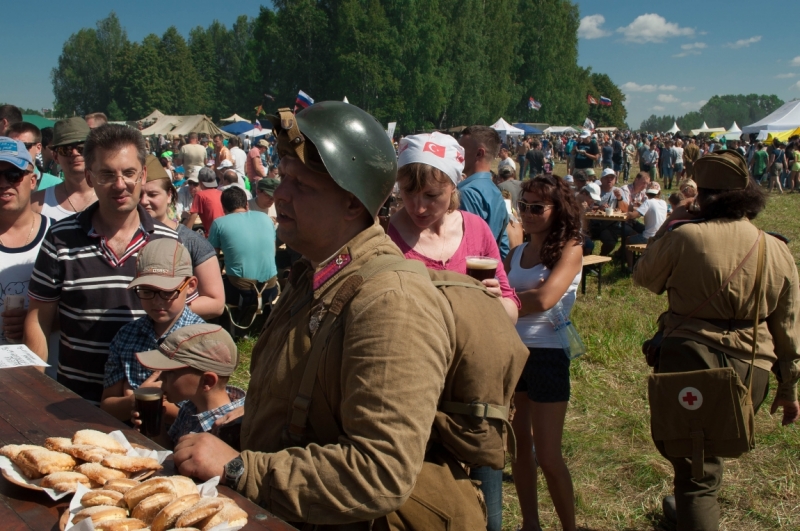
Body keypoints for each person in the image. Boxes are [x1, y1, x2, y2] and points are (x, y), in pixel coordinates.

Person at [170, 101, 481, 529]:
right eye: (284, 178)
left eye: (302, 185)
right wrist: (239, 434)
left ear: (353, 204)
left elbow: (379, 472)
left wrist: (242, 468)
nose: (279, 194)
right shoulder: (316, 273)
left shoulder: (392, 300)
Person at [633, 150, 800, 531]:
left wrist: (671, 223)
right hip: (750, 369)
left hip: (690, 361)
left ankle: (695, 512)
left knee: (696, 474)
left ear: (702, 196)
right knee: (706, 454)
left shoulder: (685, 236)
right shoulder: (777, 248)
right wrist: (789, 389)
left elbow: (644, 276)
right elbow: (788, 328)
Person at [388, 132, 519, 531]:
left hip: (475, 391)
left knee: (489, 510)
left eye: (432, 194)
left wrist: (495, 301)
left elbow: (512, 310)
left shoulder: (476, 230)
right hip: (416, 391)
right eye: (409, 194)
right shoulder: (389, 238)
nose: (419, 206)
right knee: (432, 502)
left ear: (453, 185)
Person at [24, 124, 180, 404]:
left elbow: (182, 323)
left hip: (147, 406)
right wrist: (35, 388)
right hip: (74, 403)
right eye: (107, 174)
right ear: (90, 176)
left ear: (143, 175)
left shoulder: (169, 242)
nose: (120, 184)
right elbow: (38, 318)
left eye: (129, 173)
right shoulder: (60, 238)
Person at [505, 175, 582, 531]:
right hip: (514, 354)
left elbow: (547, 299)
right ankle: (529, 524)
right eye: (524, 206)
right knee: (519, 452)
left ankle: (569, 527)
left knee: (549, 456)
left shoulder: (571, 248)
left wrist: (506, 302)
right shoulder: (517, 252)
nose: (529, 213)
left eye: (538, 207)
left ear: (557, 209)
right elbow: (522, 299)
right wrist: (517, 301)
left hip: (548, 356)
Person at [101, 239, 204, 422]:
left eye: (167, 291)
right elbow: (107, 405)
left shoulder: (203, 340)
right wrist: (133, 401)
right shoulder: (126, 337)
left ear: (190, 285)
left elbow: (207, 416)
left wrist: (150, 401)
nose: (157, 301)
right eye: (147, 291)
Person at [139, 155, 225, 318]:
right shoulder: (123, 238)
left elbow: (216, 303)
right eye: (138, 194)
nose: (144, 201)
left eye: (152, 194)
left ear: (169, 194)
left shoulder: (192, 241)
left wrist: (159, 312)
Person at [135, 323, 245, 449]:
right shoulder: (190, 408)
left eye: (170, 372)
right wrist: (157, 429)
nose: (161, 377)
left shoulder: (233, 428)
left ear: (207, 381)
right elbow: (172, 453)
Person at [0, 138, 52, 366]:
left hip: (43, 382)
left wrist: (36, 319)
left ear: (32, 181)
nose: (3, 184)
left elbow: (80, 309)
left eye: (13, 175)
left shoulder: (59, 237)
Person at [208, 187, 277, 307]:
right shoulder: (266, 218)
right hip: (271, 290)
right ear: (246, 204)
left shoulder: (219, 223)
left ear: (223, 208)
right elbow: (273, 252)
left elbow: (211, 260)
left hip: (241, 293)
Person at [458, 125, 510, 258]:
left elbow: (468, 244)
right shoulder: (496, 191)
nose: (457, 155)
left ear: (479, 153)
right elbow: (503, 245)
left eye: (461, 150)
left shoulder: (466, 193)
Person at [31, 117, 97, 220]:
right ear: (56, 157)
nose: (75, 153)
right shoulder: (37, 204)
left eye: (82, 147)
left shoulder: (111, 196)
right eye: (66, 149)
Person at [5, 122, 61, 191]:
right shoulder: (2, 183)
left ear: (38, 148)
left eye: (24, 146)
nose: (18, 152)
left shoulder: (55, 185)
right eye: (12, 146)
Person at [588, 168, 631, 256]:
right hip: (595, 223)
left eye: (612, 178)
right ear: (601, 180)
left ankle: (606, 257)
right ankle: (598, 260)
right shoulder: (596, 190)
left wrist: (619, 198)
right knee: (610, 241)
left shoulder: (619, 191)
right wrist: (599, 207)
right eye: (607, 177)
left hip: (612, 224)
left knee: (632, 234)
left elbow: (626, 209)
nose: (609, 180)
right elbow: (587, 206)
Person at [624, 181, 667, 266]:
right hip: (661, 236)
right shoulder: (663, 203)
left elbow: (634, 216)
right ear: (659, 192)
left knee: (627, 240)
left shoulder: (648, 202)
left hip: (649, 237)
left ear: (647, 193)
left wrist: (629, 212)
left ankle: (631, 266)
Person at [183, 167, 223, 237]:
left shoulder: (200, 195)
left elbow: (192, 218)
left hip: (212, 235)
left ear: (200, 183)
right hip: (224, 232)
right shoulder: (221, 193)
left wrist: (184, 236)